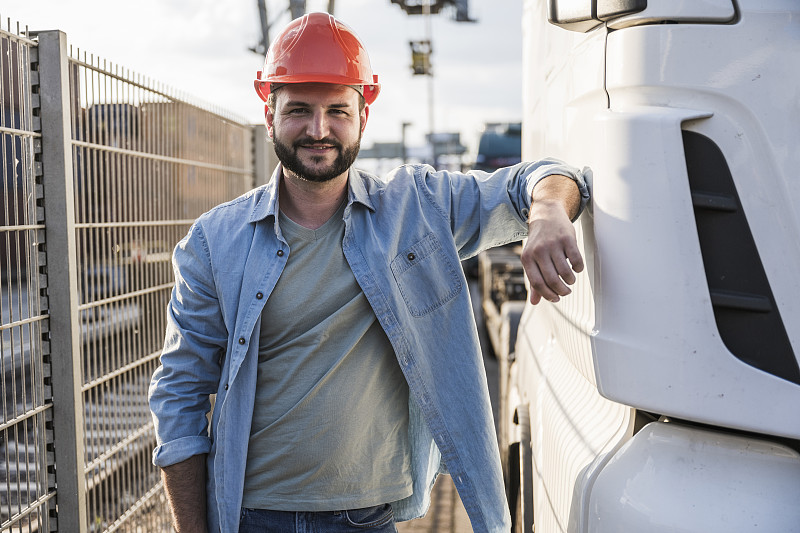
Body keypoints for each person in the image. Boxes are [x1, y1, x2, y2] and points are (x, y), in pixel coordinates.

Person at [149, 12, 590, 533]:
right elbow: (177, 397)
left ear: (364, 116)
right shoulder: (213, 243)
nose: (319, 129)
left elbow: (548, 177)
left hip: (367, 521)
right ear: (269, 115)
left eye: (338, 110)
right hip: (252, 518)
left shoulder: (417, 209)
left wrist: (547, 214)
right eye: (299, 111)